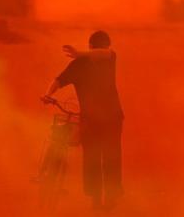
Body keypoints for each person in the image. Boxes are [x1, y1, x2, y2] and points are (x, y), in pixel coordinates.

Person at [43, 30, 124, 211]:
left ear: (90, 46)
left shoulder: (99, 59)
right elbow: (59, 80)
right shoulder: (92, 62)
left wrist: (80, 53)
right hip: (104, 119)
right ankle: (99, 198)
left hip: (104, 119)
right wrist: (48, 94)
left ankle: (105, 198)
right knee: (102, 158)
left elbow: (59, 80)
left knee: (99, 158)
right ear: (106, 45)